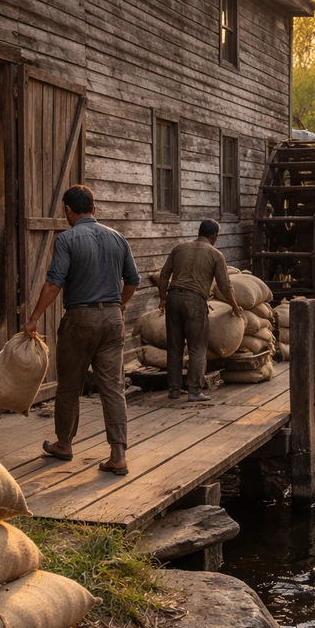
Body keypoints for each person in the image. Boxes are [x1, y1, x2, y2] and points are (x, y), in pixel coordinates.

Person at [22, 185, 141, 475]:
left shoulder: (67, 239)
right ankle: (118, 454)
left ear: (68, 212)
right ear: (95, 209)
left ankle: (64, 445)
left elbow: (53, 284)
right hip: (113, 319)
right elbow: (133, 280)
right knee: (113, 389)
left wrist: (34, 317)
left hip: (80, 319)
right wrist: (119, 307)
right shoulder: (117, 237)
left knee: (69, 387)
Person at [156, 219, 243, 402]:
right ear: (215, 236)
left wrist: (163, 298)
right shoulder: (216, 255)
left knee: (174, 347)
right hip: (195, 301)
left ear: (199, 232)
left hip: (173, 298)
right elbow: (225, 286)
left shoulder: (179, 248)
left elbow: (164, 275)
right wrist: (235, 306)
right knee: (197, 347)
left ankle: (173, 390)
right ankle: (194, 391)